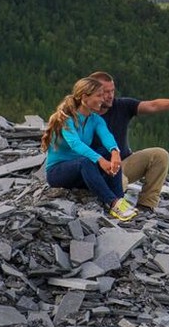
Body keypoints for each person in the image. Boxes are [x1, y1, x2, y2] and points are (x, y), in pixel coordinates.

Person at [91, 71, 169, 214]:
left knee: (160, 155)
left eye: (112, 91)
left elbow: (152, 105)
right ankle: (111, 206)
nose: (110, 95)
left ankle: (146, 206)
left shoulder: (122, 106)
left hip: (124, 162)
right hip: (99, 168)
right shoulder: (83, 115)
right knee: (119, 182)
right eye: (105, 92)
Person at [41, 75, 138, 223]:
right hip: (59, 173)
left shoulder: (95, 119)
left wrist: (115, 152)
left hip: (82, 170)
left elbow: (107, 136)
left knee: (106, 153)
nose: (102, 99)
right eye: (98, 95)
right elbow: (75, 144)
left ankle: (120, 200)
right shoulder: (65, 119)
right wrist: (99, 160)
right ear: (84, 97)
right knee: (85, 162)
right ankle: (112, 203)